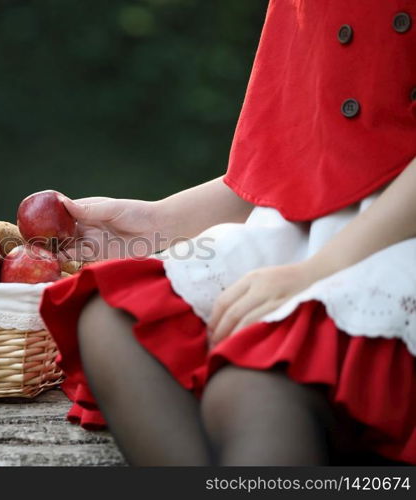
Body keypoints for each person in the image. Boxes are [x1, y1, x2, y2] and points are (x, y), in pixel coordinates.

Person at [38, 0, 416, 465]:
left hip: (397, 236)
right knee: (114, 321)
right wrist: (157, 223)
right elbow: (299, 157)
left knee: (255, 386)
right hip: (312, 231)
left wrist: (319, 271)